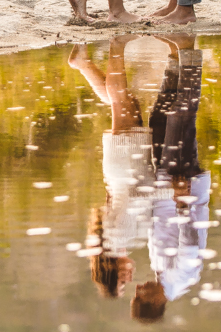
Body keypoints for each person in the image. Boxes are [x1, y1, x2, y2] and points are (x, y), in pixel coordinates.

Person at [68, 37, 167, 298]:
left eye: (122, 282)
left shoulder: (119, 238)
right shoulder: (113, 243)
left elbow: (133, 197)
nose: (130, 277)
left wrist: (170, 193)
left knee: (122, 99)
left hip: (127, 163)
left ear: (111, 271)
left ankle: (117, 43)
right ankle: (83, 64)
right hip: (122, 168)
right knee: (125, 102)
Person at [131, 33, 209, 322]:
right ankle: (187, 52)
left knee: (159, 119)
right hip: (182, 186)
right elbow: (188, 242)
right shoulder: (182, 277)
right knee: (181, 115)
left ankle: (174, 55)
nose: (138, 287)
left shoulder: (162, 274)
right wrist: (183, 200)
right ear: (154, 301)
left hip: (166, 182)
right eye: (140, 294)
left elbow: (159, 227)